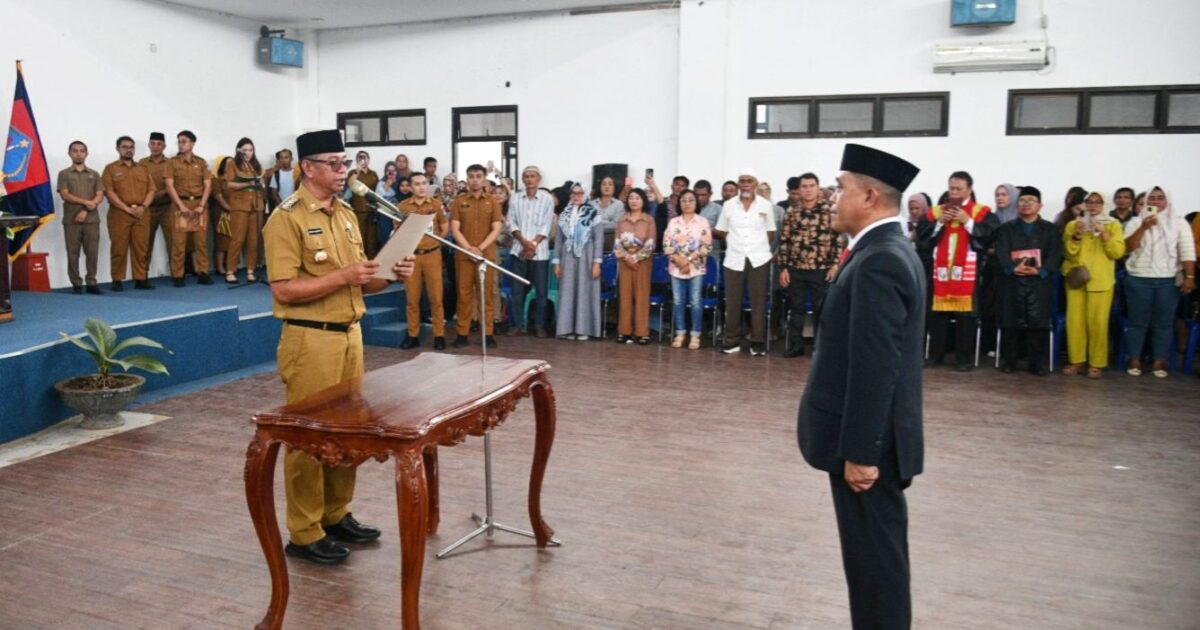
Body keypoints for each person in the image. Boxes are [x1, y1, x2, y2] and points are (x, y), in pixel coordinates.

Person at [262, 129, 415, 566]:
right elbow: (285, 290)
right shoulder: (285, 219)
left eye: (343, 162)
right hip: (310, 339)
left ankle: (335, 513)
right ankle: (305, 531)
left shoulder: (347, 213)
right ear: (307, 168)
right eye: (333, 162)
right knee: (309, 437)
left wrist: (393, 274)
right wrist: (343, 277)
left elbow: (364, 283)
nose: (342, 170)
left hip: (350, 335)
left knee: (347, 432)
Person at [797, 143, 924, 630]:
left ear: (869, 196)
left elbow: (876, 366)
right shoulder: (884, 251)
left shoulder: (880, 260)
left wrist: (862, 452)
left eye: (840, 188)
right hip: (869, 440)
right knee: (873, 564)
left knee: (876, 569)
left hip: (869, 447)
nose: (832, 197)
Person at [916, 170, 998, 371]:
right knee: (937, 314)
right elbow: (923, 238)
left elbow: (989, 236)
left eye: (958, 189)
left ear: (969, 189)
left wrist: (967, 221)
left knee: (966, 316)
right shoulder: (936, 212)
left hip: (967, 272)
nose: (954, 193)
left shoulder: (981, 212)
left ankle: (964, 359)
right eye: (951, 188)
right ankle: (936, 356)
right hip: (941, 271)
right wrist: (939, 223)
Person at [1122, 187, 1196, 378]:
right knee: (1138, 322)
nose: (1155, 202)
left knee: (1163, 323)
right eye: (1152, 198)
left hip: (1168, 279)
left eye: (1160, 198)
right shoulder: (1136, 221)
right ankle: (1134, 358)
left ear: (1167, 201)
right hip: (1138, 278)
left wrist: (1189, 277)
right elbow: (1127, 249)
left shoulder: (1179, 223)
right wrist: (1144, 227)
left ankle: (1158, 361)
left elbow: (1187, 251)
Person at [992, 186, 1062, 376]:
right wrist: (1011, 267)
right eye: (1022, 201)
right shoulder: (1006, 229)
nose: (1026, 204)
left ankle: (1036, 363)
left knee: (1037, 323)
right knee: (1010, 322)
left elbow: (1055, 254)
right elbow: (1000, 251)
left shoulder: (1050, 229)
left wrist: (1041, 270)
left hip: (1039, 282)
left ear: (1040, 205)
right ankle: (1010, 361)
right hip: (1012, 281)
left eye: (1031, 200)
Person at [1061, 191, 1125, 378]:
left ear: (1104, 204)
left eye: (1098, 202)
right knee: (1075, 322)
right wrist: (1077, 235)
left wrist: (1104, 234)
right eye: (1089, 202)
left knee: (1098, 323)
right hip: (1076, 279)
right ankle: (1076, 361)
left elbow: (1117, 253)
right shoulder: (1073, 225)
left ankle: (1096, 363)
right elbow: (1068, 253)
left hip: (1101, 281)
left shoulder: (1113, 225)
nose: (1093, 205)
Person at [777, 172, 841, 358]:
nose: (807, 189)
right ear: (799, 189)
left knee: (822, 309)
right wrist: (783, 268)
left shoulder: (829, 210)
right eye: (804, 186)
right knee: (796, 308)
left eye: (811, 186)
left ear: (818, 187)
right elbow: (785, 240)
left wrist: (834, 265)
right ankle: (795, 346)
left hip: (821, 268)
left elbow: (837, 239)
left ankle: (820, 347)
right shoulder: (792, 211)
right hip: (796, 268)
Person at [715, 168, 775, 356]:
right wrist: (735, 243)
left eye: (749, 180)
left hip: (759, 258)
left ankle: (757, 342)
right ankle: (732, 341)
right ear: (739, 184)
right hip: (734, 258)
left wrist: (756, 246)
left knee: (758, 302)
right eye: (742, 181)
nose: (746, 184)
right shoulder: (729, 205)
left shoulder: (766, 205)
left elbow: (770, 233)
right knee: (733, 302)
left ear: (756, 184)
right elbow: (721, 230)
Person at [449, 164, 504, 348]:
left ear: (484, 178)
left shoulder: (492, 201)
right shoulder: (459, 201)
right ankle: (462, 334)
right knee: (463, 295)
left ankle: (487, 333)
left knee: (486, 295)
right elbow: (455, 229)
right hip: (464, 256)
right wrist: (469, 249)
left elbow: (497, 228)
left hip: (486, 256)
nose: (474, 179)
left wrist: (479, 248)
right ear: (467, 178)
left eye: (478, 176)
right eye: (471, 176)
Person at [397, 172, 449, 350]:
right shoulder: (403, 207)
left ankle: (439, 335)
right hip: (412, 256)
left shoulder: (435, 204)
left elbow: (444, 225)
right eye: (417, 184)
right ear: (410, 187)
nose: (421, 187)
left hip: (433, 255)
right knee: (412, 299)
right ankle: (413, 335)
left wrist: (438, 239)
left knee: (436, 298)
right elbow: (397, 231)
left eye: (423, 183)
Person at [101, 136, 155, 291]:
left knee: (141, 247)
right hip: (120, 213)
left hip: (142, 212)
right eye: (125, 147)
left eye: (131, 147)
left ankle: (141, 278)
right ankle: (117, 279)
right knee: (119, 247)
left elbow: (151, 190)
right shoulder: (110, 169)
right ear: (118, 149)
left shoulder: (143, 169)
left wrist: (143, 206)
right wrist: (126, 209)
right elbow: (109, 192)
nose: (128, 150)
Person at [507, 165, 556, 337]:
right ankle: (518, 325)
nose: (529, 179)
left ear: (539, 178)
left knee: (541, 291)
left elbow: (546, 225)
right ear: (522, 179)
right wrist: (523, 242)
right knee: (517, 290)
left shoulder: (547, 199)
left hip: (540, 253)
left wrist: (532, 244)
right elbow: (511, 222)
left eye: (533, 176)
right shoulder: (515, 198)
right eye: (526, 176)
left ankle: (540, 326)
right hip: (518, 250)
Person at [553, 183, 604, 340]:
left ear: (586, 194)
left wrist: (597, 262)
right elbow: (559, 240)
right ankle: (567, 328)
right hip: (567, 257)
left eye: (580, 193)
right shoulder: (564, 214)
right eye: (573, 193)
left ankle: (584, 329)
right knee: (568, 291)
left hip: (587, 256)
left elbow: (598, 240)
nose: (576, 196)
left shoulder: (593, 213)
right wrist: (557, 262)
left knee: (584, 291)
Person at [662, 189, 712, 349]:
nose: (687, 203)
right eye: (683, 200)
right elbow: (667, 244)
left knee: (696, 301)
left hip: (695, 267)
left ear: (696, 203)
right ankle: (680, 332)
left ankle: (695, 335)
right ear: (679, 203)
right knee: (678, 301)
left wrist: (688, 261)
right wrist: (679, 260)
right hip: (676, 267)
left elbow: (706, 246)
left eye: (691, 200)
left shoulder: (702, 222)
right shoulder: (673, 222)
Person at [164, 130, 213, 286]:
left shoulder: (201, 162)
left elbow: (208, 185)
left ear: (192, 143)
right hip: (180, 205)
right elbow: (169, 185)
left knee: (201, 242)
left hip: (199, 204)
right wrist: (180, 205)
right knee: (179, 242)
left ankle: (203, 272)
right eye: (179, 141)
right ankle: (178, 274)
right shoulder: (172, 162)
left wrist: (201, 205)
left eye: (184, 141)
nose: (181, 144)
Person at [57, 140, 105, 294]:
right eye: (75, 151)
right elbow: (65, 195)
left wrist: (88, 207)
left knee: (92, 252)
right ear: (69, 153)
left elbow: (100, 194)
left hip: (91, 220)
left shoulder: (94, 174)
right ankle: (76, 283)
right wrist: (86, 202)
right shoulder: (64, 174)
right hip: (71, 220)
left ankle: (92, 282)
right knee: (73, 252)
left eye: (82, 151)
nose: (78, 153)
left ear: (86, 153)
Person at [614, 188, 656, 344]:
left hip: (643, 262)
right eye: (631, 198)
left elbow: (651, 242)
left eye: (637, 198)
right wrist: (627, 258)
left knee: (641, 296)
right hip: (625, 262)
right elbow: (617, 243)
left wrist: (636, 258)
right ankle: (624, 331)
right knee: (625, 296)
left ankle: (642, 332)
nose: (634, 201)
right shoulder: (621, 220)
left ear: (643, 201)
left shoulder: (649, 220)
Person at [224, 138, 266, 283]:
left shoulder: (256, 165)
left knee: (254, 240)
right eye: (245, 150)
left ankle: (250, 270)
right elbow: (229, 184)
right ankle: (231, 270)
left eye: (250, 150)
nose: (248, 153)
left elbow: (262, 183)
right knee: (238, 238)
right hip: (240, 205)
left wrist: (261, 183)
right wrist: (247, 183)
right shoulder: (232, 164)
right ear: (239, 151)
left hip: (256, 204)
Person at [139, 132, 173, 271]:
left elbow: (176, 184)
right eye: (152, 143)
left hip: (167, 207)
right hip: (148, 208)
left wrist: (163, 192)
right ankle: (142, 275)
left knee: (173, 241)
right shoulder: (142, 163)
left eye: (159, 144)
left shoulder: (171, 163)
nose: (155, 147)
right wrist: (151, 196)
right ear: (149, 145)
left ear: (164, 146)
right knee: (145, 242)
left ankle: (176, 273)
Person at [346, 151, 379, 258]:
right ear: (357, 160)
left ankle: (372, 260)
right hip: (358, 210)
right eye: (360, 158)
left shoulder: (373, 174)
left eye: (365, 157)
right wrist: (357, 170)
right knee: (360, 236)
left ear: (369, 159)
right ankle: (360, 259)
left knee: (372, 238)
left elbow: (377, 190)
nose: (363, 160)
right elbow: (350, 184)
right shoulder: (353, 173)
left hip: (372, 210)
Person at [695, 179, 724, 261]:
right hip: (691, 255)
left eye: (703, 195)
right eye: (697, 195)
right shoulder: (688, 208)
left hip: (712, 255)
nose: (700, 198)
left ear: (710, 194)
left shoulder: (718, 209)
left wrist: (706, 231)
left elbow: (722, 232)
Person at [266, 149, 299, 214]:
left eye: (286, 157)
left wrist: (291, 206)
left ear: (291, 158)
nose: (284, 160)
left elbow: (300, 191)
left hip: (296, 208)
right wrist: (284, 207)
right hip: (280, 210)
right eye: (281, 158)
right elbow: (274, 194)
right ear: (279, 160)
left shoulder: (297, 173)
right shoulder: (276, 174)